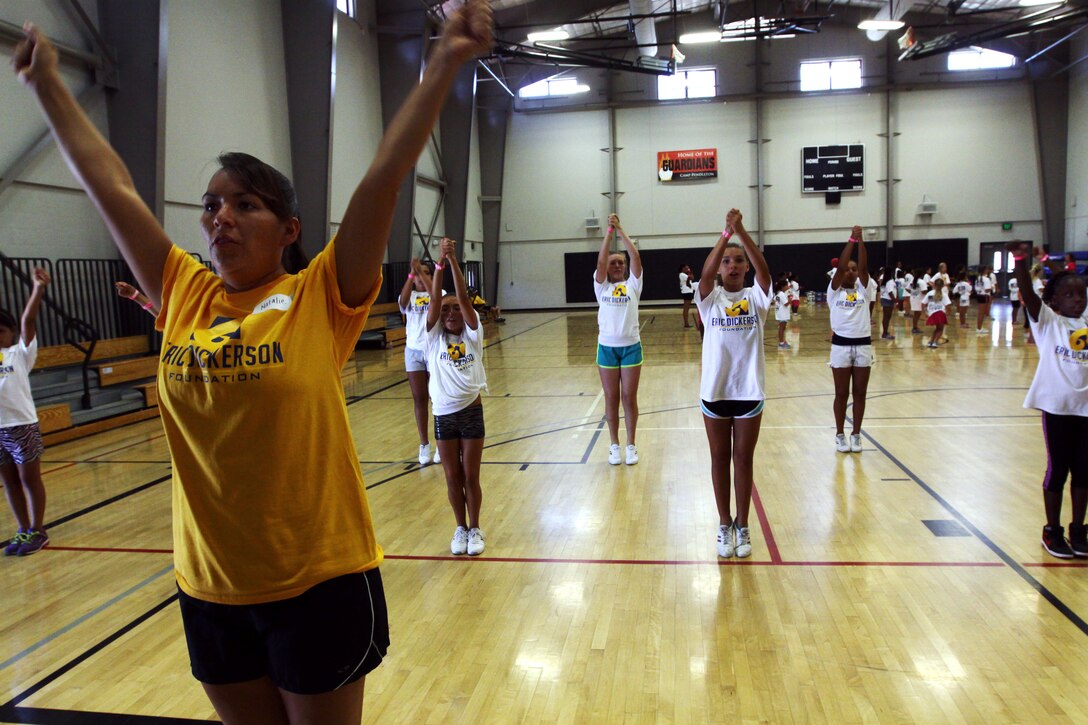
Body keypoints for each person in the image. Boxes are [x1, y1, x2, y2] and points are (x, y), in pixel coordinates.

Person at [13, 5, 491, 722]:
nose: (221, 218)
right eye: (211, 206)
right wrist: (50, 85)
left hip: (319, 580)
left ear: (288, 228)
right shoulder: (182, 292)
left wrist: (444, 61)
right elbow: (111, 186)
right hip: (210, 586)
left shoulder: (319, 294)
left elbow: (382, 181)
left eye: (245, 204)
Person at [695, 208, 772, 559]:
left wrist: (742, 231)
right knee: (718, 456)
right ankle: (723, 524)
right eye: (727, 261)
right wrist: (725, 235)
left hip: (748, 391)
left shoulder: (756, 298)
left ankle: (743, 525)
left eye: (738, 261)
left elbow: (765, 272)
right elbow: (705, 274)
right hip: (715, 390)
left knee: (743, 458)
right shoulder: (709, 300)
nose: (732, 266)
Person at [1007, 241, 1088, 559]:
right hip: (1057, 408)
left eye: (1081, 294)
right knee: (1059, 470)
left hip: (1086, 410)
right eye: (1069, 295)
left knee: (1085, 472)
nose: (1077, 299)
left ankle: (1078, 529)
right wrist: (1020, 259)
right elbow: (1028, 293)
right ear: (1053, 300)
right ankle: (1052, 530)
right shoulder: (1048, 323)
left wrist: (1063, 271)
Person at [425, 239, 488, 557]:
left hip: (471, 413)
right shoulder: (432, 338)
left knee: (470, 475)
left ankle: (475, 526)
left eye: (455, 309)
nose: (450, 313)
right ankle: (460, 527)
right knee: (451, 475)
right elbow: (435, 300)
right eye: (445, 310)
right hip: (444, 416)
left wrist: (452, 262)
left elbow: (462, 297)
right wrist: (438, 263)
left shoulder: (473, 333)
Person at [0, 268, 52, 557]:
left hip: (21, 426)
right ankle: (23, 529)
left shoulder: (19, 353)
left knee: (28, 478)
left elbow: (27, 320)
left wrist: (37, 288)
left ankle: (38, 529)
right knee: (9, 481)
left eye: (0, 331)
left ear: (10, 334)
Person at [594, 213, 643, 466]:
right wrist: (608, 234)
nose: (616, 266)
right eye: (613, 263)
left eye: (619, 263)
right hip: (607, 349)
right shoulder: (601, 287)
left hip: (631, 348)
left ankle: (631, 444)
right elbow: (601, 261)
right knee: (611, 397)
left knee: (629, 398)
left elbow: (635, 257)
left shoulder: (634, 285)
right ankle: (614, 445)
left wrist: (620, 229)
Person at [828, 226, 872, 453]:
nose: (852, 272)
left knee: (860, 393)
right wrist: (851, 241)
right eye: (848, 269)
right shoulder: (834, 291)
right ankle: (839, 434)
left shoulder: (866, 290)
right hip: (841, 346)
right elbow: (841, 268)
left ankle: (856, 434)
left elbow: (864, 268)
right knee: (841, 393)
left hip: (863, 344)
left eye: (854, 269)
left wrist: (861, 241)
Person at [399, 258, 443, 466]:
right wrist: (411, 274)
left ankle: (442, 443)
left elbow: (435, 295)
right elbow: (401, 303)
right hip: (413, 352)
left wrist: (422, 272)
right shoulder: (411, 296)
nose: (419, 277)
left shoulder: (439, 294)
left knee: (438, 398)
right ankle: (424, 444)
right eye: (417, 273)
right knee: (420, 398)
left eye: (425, 273)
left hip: (433, 350)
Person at [923, 278, 950, 348]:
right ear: (943, 286)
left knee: (937, 328)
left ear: (934, 285)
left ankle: (931, 342)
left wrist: (925, 312)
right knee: (940, 329)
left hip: (931, 314)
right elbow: (947, 305)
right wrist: (947, 312)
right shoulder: (944, 294)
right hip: (940, 313)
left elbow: (923, 303)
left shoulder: (929, 293)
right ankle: (935, 342)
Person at [976, 265, 995, 334]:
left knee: (981, 313)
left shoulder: (978, 278)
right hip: (984, 296)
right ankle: (979, 328)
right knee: (982, 313)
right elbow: (987, 290)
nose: (988, 271)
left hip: (979, 295)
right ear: (984, 271)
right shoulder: (986, 279)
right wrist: (992, 287)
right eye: (986, 269)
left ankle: (979, 327)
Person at [773, 278, 791, 349]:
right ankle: (781, 343)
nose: (788, 287)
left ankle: (783, 341)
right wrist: (790, 300)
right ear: (783, 286)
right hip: (782, 313)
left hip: (780, 313)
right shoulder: (782, 294)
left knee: (782, 328)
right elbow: (786, 304)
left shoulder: (778, 294)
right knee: (781, 328)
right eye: (786, 285)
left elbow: (774, 300)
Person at [879, 269, 897, 340]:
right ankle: (885, 333)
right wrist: (895, 301)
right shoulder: (890, 281)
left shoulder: (885, 281)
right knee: (886, 317)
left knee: (887, 317)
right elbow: (890, 292)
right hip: (888, 300)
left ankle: (885, 332)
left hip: (885, 299)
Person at [679, 264, 695, 328]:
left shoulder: (685, 274)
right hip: (686, 292)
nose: (688, 269)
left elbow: (692, 277)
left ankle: (686, 323)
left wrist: (690, 273)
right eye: (686, 268)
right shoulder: (681, 274)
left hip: (689, 292)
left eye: (688, 268)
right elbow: (690, 277)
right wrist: (689, 273)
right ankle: (686, 323)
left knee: (687, 308)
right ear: (682, 269)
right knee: (686, 308)